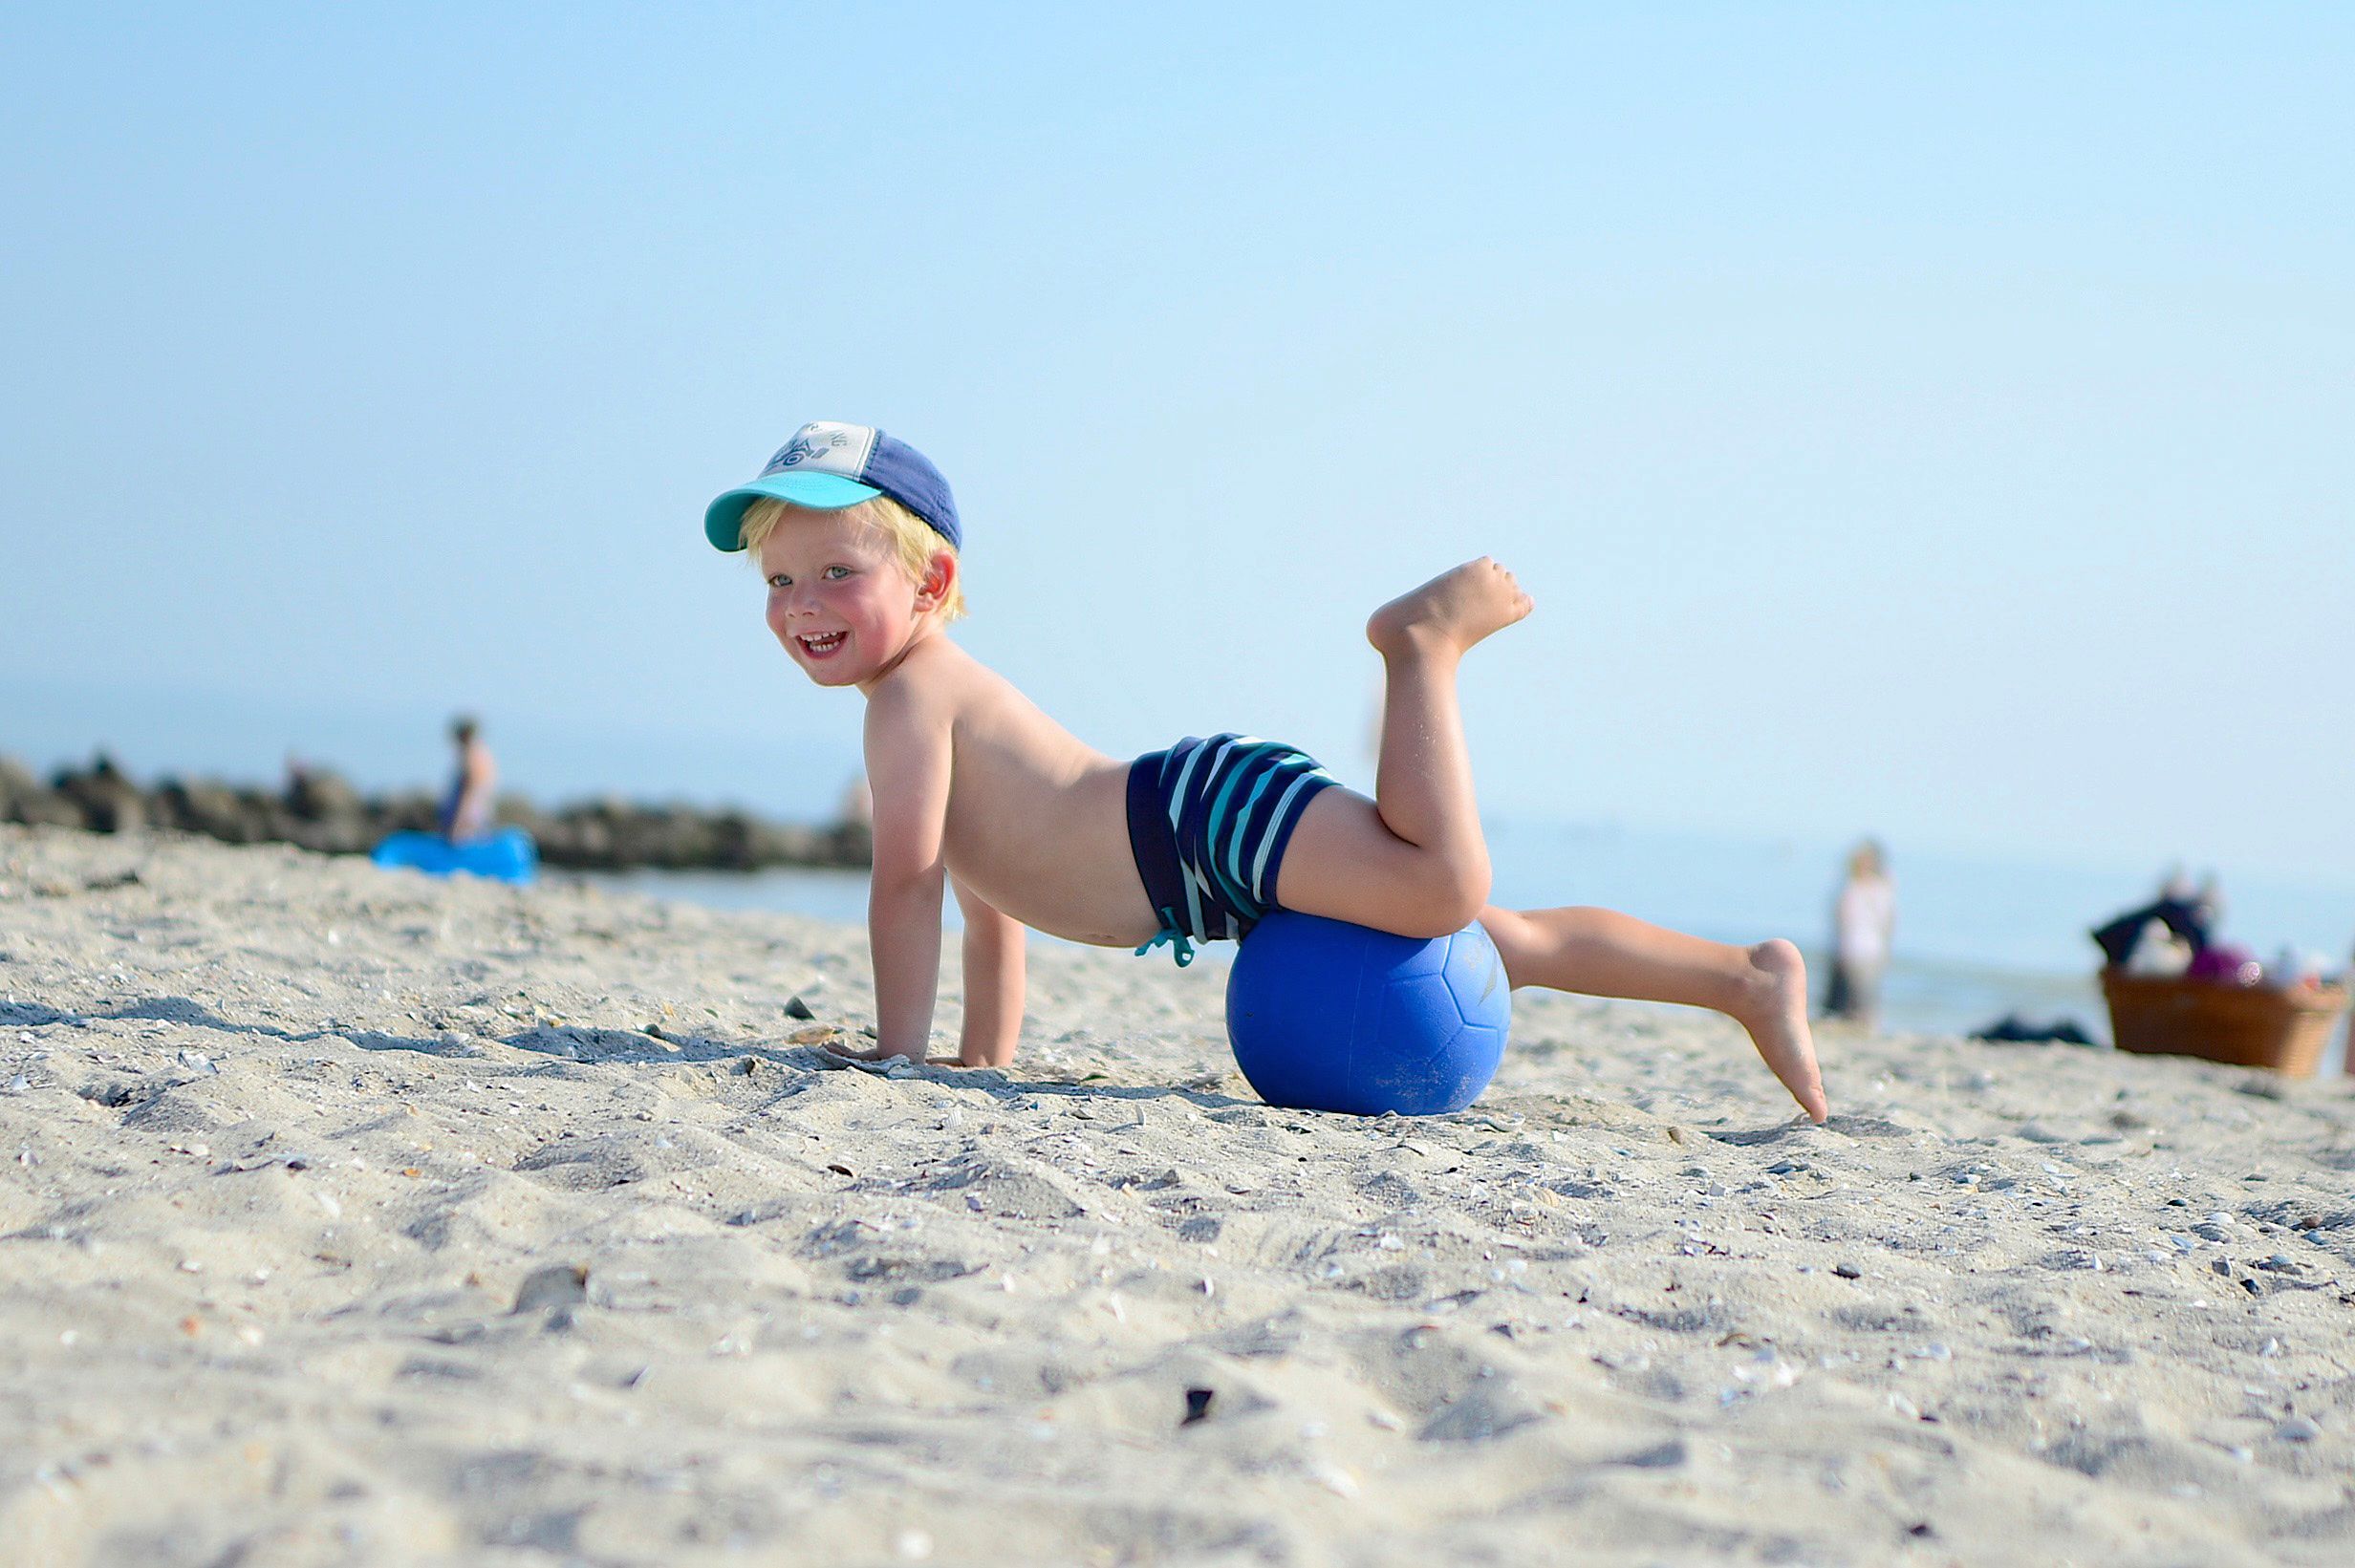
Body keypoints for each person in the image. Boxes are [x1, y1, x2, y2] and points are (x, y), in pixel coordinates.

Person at [702, 421, 1826, 1123]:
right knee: (1495, 942)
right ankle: (1741, 978)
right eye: (778, 582)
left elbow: (906, 883)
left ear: (931, 577)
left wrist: (897, 1059)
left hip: (1196, 826)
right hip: (1202, 843)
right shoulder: (923, 696)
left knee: (1442, 889)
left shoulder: (910, 697)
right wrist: (977, 1060)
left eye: (836, 573)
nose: (801, 606)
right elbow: (983, 897)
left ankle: (1420, 646)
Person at [1822, 839, 1895, 1030]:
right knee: (1847, 995)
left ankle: (1866, 1026)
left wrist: (1885, 950)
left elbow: (1887, 922)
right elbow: (1841, 921)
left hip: (1867, 949)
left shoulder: (1879, 888)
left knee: (1864, 995)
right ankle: (1852, 1024)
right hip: (1851, 947)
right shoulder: (1851, 886)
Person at [439, 716, 497, 845]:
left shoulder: (472, 755)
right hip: (479, 809)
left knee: (464, 840)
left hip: (471, 811)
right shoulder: (481, 752)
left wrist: (459, 821)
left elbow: (470, 789)